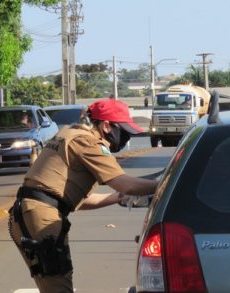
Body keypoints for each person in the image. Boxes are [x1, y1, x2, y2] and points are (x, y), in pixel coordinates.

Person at [8, 98, 158, 293]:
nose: (126, 138)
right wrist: (165, 184)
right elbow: (125, 184)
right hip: (40, 215)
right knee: (59, 286)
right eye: (123, 131)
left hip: (30, 212)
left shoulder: (69, 133)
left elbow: (71, 198)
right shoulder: (88, 142)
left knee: (52, 285)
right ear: (106, 126)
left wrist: (116, 197)